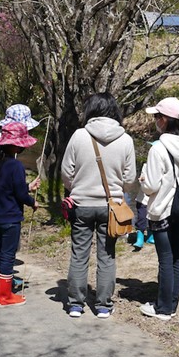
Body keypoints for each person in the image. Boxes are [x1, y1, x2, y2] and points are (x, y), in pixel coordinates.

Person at [60, 93, 137, 318]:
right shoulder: (126, 139)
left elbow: (66, 172)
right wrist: (119, 190)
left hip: (81, 204)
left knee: (79, 254)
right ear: (114, 110)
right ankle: (103, 306)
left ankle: (75, 304)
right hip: (110, 207)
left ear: (90, 110)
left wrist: (76, 187)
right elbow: (130, 178)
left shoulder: (79, 135)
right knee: (107, 256)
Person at [138, 97, 179, 321]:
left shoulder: (158, 149)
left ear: (165, 120)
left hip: (163, 210)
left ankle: (163, 308)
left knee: (165, 258)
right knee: (177, 257)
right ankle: (172, 303)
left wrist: (144, 178)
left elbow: (151, 186)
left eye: (157, 117)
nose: (155, 121)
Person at [0, 104, 40, 292]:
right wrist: (29, 198)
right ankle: (1, 284)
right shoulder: (6, 149)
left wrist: (27, 186)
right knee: (5, 248)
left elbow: (6, 179)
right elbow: (11, 183)